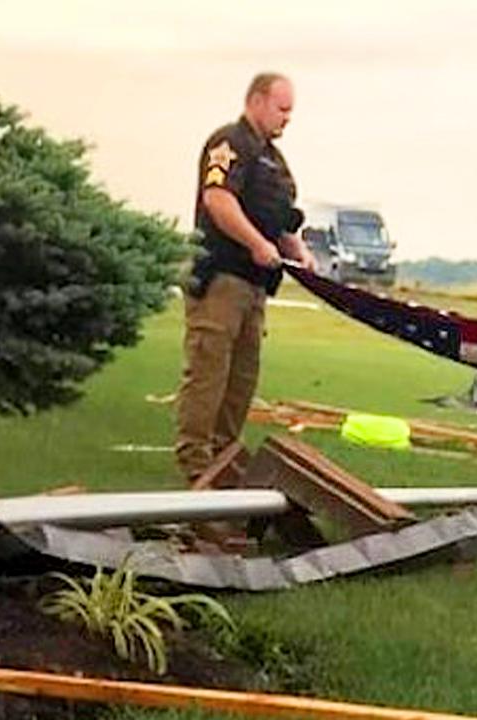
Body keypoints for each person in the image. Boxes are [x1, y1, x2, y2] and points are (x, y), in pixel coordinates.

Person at [174, 72, 317, 482]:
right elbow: (218, 200)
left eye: (291, 111)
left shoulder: (274, 160)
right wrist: (256, 243)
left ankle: (224, 457)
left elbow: (280, 221)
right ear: (256, 101)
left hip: (256, 284)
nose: (287, 118)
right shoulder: (229, 143)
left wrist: (298, 251)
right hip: (222, 276)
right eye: (281, 108)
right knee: (209, 372)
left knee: (242, 377)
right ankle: (196, 462)